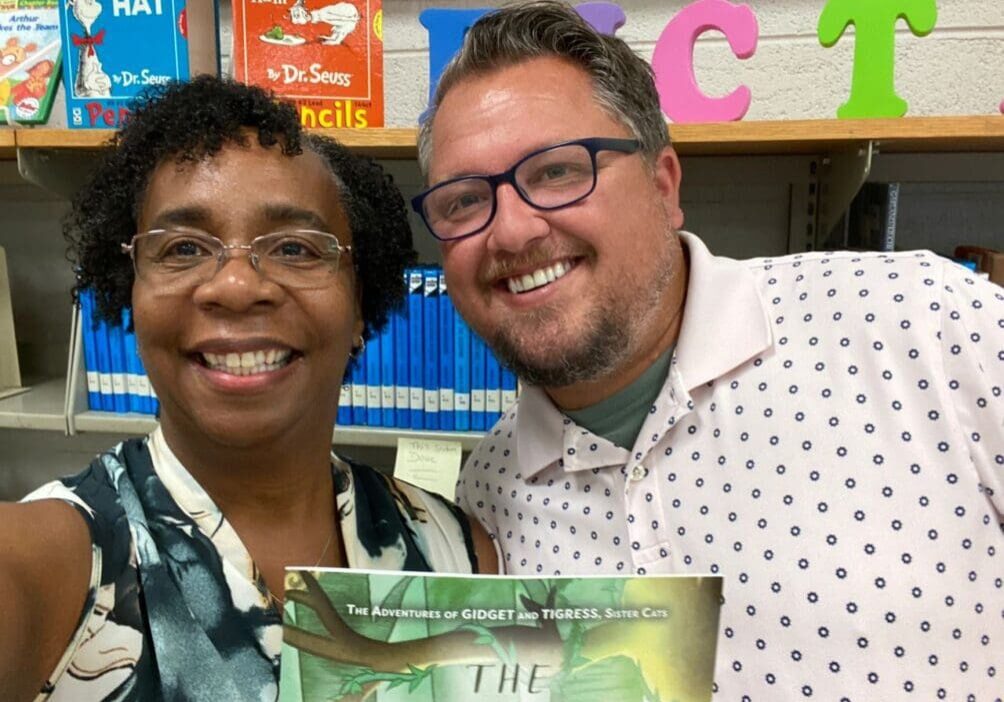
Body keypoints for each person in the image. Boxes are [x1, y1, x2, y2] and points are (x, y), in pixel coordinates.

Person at [413, 2, 1003, 700]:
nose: (510, 232)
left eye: (557, 172)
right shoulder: (485, 493)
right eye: (461, 201)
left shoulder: (930, 325)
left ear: (664, 186)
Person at [0, 75, 497, 702]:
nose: (235, 286)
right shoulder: (51, 560)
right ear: (129, 292)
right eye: (183, 248)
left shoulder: (458, 552)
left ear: (359, 305)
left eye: (294, 247)